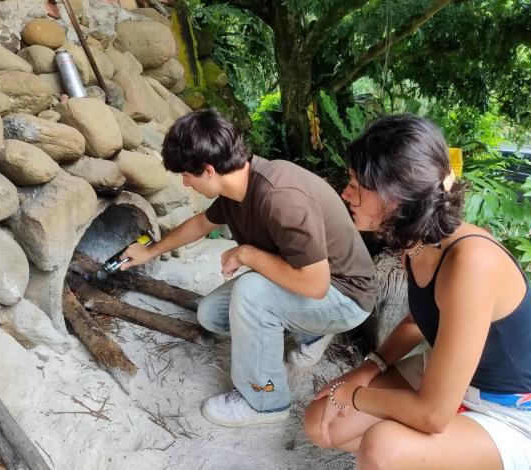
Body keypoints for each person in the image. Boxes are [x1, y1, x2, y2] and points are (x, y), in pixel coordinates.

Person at [304, 114, 531, 470]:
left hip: (513, 416)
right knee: (324, 422)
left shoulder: (471, 262)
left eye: (356, 184)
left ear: (395, 198)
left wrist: (359, 396)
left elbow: (433, 414)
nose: (345, 193)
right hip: (449, 381)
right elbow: (417, 321)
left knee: (383, 450)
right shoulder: (417, 242)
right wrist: (369, 368)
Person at [120, 109, 378, 427]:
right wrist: (150, 251)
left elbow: (316, 285)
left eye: (186, 175)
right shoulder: (238, 186)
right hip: (312, 284)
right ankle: (310, 331)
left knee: (250, 292)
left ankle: (265, 402)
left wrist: (247, 254)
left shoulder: (280, 198)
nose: (185, 184)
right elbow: (202, 223)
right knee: (212, 314)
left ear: (208, 169)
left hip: (345, 295)